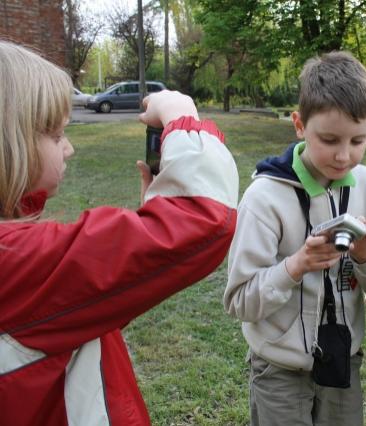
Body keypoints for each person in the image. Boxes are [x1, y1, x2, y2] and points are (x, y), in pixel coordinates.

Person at [0, 41, 238, 425]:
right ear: (10, 143)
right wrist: (182, 119)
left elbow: (81, 305)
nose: (69, 149)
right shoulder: (14, 262)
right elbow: (202, 220)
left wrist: (154, 218)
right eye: (57, 135)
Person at [224, 51, 366, 426]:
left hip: (343, 364)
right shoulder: (264, 198)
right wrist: (295, 266)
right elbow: (240, 302)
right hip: (279, 368)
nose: (344, 156)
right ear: (299, 125)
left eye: (358, 140)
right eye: (329, 139)